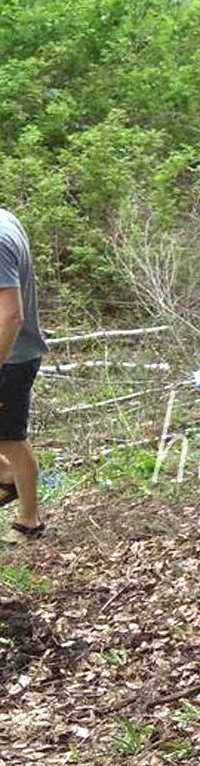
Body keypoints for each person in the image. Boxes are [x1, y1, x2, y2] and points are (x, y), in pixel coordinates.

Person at [0, 208, 47, 544]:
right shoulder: (4, 217)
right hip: (12, 351)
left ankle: (29, 521)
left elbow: (12, 315)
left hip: (11, 356)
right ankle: (5, 476)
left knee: (11, 439)